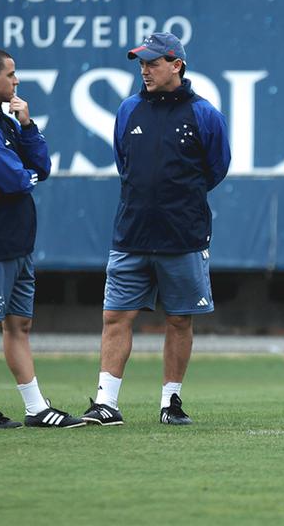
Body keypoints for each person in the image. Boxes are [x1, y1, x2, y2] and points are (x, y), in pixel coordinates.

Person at [81, 32, 231, 426]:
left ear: (176, 65)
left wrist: (178, 203)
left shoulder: (204, 115)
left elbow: (215, 169)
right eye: (141, 63)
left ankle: (171, 402)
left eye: (152, 62)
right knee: (116, 317)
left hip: (183, 237)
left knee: (180, 319)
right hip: (131, 234)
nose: (144, 70)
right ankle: (106, 403)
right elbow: (124, 164)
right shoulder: (128, 109)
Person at [0, 47, 84, 429]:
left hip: (17, 241)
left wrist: (26, 126)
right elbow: (15, 179)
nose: (16, 80)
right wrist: (28, 176)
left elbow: (39, 167)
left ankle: (37, 408)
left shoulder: (3, 122)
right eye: (11, 74)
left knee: (18, 325)